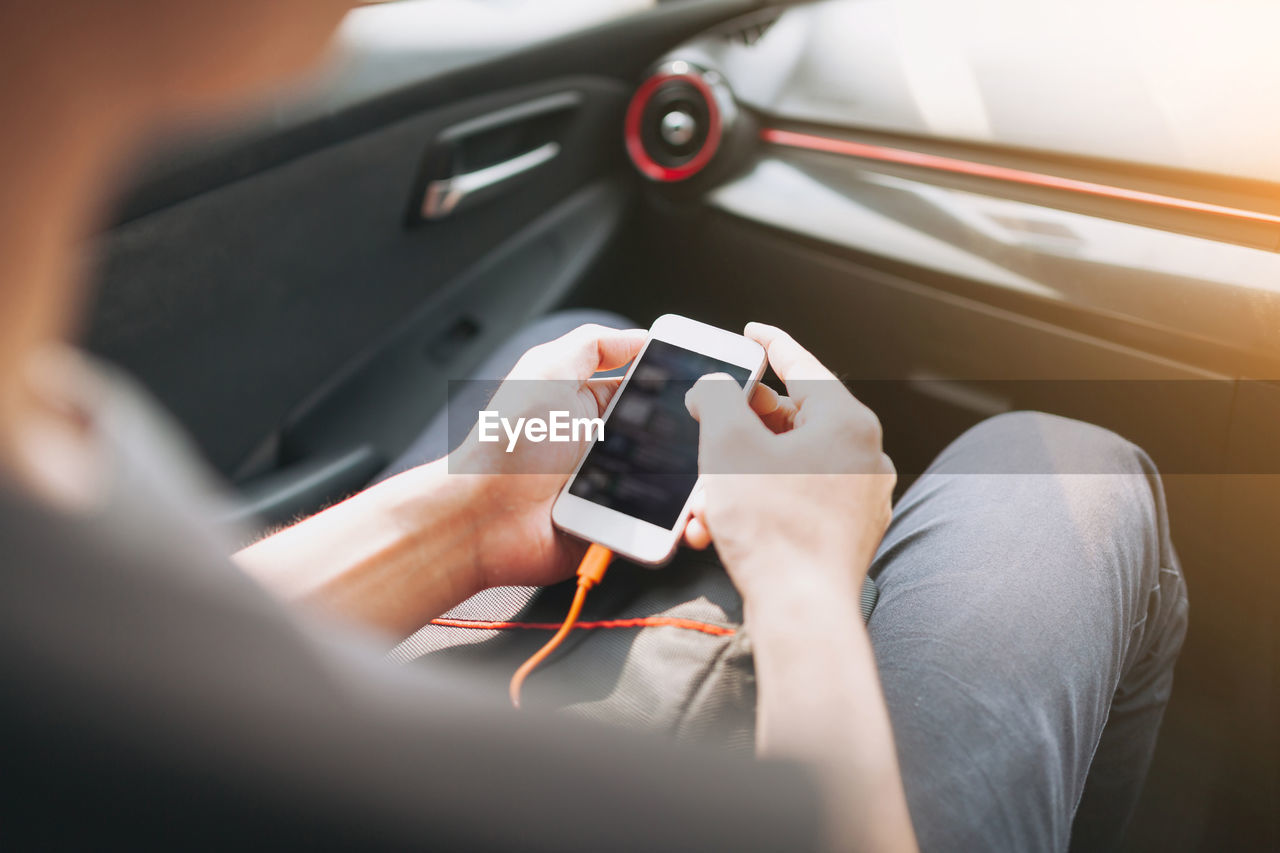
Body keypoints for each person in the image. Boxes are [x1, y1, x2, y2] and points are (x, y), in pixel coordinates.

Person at [0, 1, 1186, 851]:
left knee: (562, 337)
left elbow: (175, 654)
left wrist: (461, 515)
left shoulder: (48, 467)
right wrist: (803, 577)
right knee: (1060, 473)